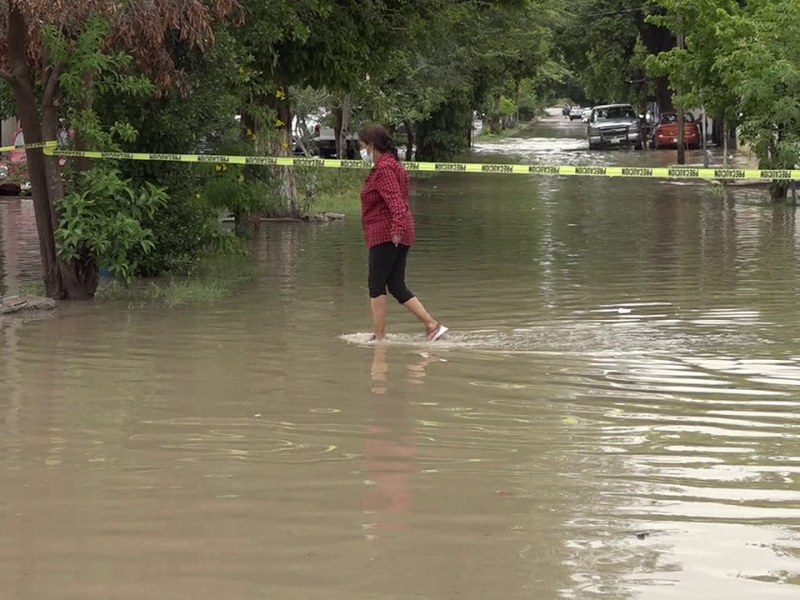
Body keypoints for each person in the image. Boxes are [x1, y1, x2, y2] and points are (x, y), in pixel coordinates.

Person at [358, 124, 447, 342]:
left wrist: (396, 230)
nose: (361, 152)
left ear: (371, 146)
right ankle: (432, 325)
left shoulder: (385, 169)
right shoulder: (391, 165)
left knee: (376, 285)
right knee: (396, 285)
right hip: (397, 231)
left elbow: (396, 202)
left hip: (387, 233)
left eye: (362, 146)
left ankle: (379, 337)